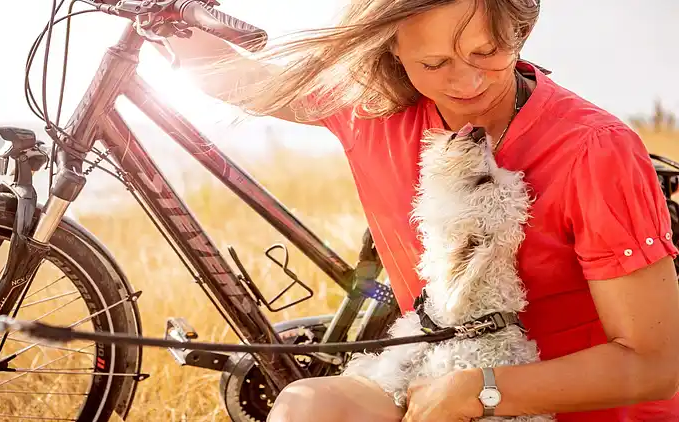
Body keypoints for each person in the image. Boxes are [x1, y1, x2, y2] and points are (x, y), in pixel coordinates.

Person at [161, 0, 679, 420]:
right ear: (392, 53)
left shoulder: (595, 147)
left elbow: (656, 363)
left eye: (488, 51)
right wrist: (170, 16)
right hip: (436, 384)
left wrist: (485, 390)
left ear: (517, 32)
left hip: (582, 408)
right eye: (434, 64)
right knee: (308, 405)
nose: (468, 81)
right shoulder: (373, 109)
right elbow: (238, 79)